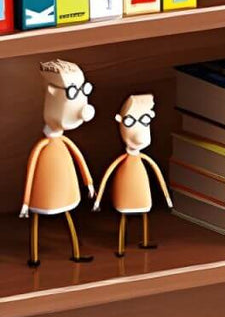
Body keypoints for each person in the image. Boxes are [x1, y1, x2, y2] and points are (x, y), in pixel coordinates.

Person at [21, 58, 96, 266]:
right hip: (43, 193)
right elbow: (31, 172)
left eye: (83, 90)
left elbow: (80, 160)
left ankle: (76, 252)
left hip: (65, 191)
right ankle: (34, 257)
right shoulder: (43, 147)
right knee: (38, 220)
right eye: (72, 92)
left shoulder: (64, 143)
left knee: (68, 215)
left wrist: (89, 184)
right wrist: (26, 203)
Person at [93, 93, 172, 256]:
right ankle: (120, 246)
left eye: (144, 120)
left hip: (142, 194)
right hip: (125, 194)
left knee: (144, 215)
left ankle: (145, 241)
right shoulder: (123, 161)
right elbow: (107, 176)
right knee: (123, 216)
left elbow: (159, 176)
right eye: (130, 122)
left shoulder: (143, 159)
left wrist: (167, 198)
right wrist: (98, 199)